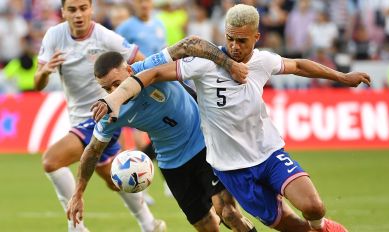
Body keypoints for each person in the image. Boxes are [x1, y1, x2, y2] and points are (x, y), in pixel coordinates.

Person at [95, 4, 371, 232]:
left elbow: (298, 65)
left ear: (256, 38)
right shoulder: (203, 64)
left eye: (242, 40)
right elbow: (150, 75)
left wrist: (341, 77)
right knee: (288, 225)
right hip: (232, 169)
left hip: (268, 152)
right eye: (230, 39)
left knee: (313, 207)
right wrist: (115, 98)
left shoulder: (262, 61)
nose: (234, 46)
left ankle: (322, 227)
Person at [67, 37, 256, 232]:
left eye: (116, 84)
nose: (114, 92)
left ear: (130, 71)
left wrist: (229, 63)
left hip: (206, 145)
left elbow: (188, 45)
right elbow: (93, 150)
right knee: (206, 226)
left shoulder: (148, 68)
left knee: (228, 212)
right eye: (107, 89)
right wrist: (78, 194)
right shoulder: (110, 111)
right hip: (172, 164)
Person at [33, 0, 164, 231]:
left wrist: (134, 92)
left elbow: (141, 62)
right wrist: (44, 72)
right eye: (72, 9)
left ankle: (76, 227)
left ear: (91, 9)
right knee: (115, 179)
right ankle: (150, 224)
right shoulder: (54, 36)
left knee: (51, 161)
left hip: (104, 114)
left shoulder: (105, 36)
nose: (78, 14)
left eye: (83, 8)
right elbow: (38, 83)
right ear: (63, 12)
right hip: (78, 120)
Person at [114, 0, 170, 202]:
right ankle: (139, 189)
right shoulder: (125, 27)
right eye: (139, 1)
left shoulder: (159, 24)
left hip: (157, 87)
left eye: (146, 1)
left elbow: (163, 52)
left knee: (162, 133)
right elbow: (115, 56)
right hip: (134, 88)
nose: (144, 4)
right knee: (138, 140)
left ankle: (166, 181)